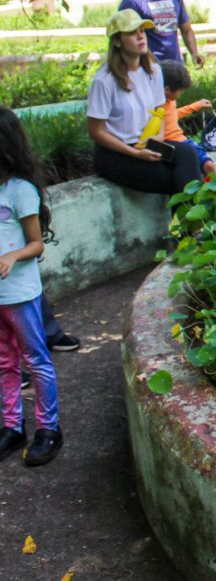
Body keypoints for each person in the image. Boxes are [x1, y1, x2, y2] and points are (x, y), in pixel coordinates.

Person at [0, 107, 63, 466]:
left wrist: (12, 256)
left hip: (20, 295)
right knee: (4, 362)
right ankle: (12, 426)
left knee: (36, 360)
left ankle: (48, 428)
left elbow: (36, 243)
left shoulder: (20, 190)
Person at [87, 10, 202, 196]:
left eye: (142, 31)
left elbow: (159, 112)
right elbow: (96, 131)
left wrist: (158, 138)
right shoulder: (104, 80)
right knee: (176, 179)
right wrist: (134, 153)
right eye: (132, 33)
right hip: (117, 153)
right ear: (117, 41)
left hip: (147, 143)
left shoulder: (154, 71)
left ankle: (192, 224)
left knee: (188, 154)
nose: (141, 36)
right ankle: (193, 223)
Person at [160, 60, 216, 177]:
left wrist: (196, 105)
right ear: (167, 89)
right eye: (180, 91)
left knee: (206, 166)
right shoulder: (155, 104)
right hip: (173, 143)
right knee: (205, 166)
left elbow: (172, 115)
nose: (180, 94)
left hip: (175, 142)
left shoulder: (169, 99)